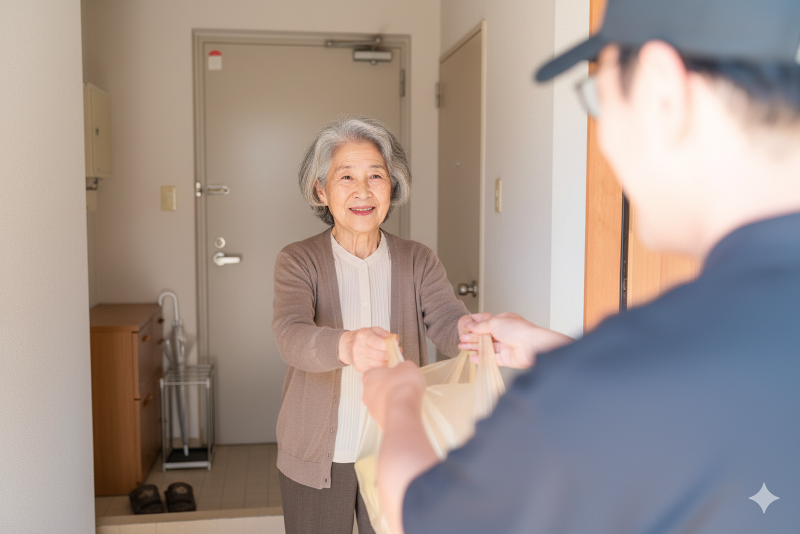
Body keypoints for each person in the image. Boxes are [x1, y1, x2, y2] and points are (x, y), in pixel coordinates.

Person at [362, 0, 800, 532]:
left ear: (663, 89)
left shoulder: (615, 373)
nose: (606, 140)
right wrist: (554, 350)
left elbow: (424, 515)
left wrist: (399, 403)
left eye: (600, 100)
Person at [272, 116, 480, 533]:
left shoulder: (417, 259)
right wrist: (347, 345)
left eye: (376, 176)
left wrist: (475, 334)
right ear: (321, 190)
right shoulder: (298, 260)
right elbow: (291, 335)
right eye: (346, 176)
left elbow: (446, 320)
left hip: (397, 448)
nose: (363, 191)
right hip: (316, 456)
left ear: (392, 186)